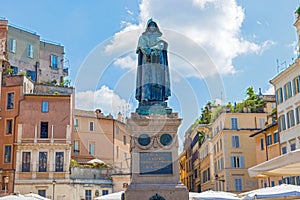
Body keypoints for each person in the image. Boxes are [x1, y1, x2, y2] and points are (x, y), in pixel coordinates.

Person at [135, 19, 171, 103]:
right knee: (146, 79)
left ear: (156, 27)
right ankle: (145, 97)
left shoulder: (160, 37)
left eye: (153, 25)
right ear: (148, 27)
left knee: (158, 80)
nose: (152, 27)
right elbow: (142, 46)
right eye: (150, 25)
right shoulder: (143, 37)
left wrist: (155, 50)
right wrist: (148, 51)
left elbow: (162, 45)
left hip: (158, 61)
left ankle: (159, 99)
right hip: (147, 60)